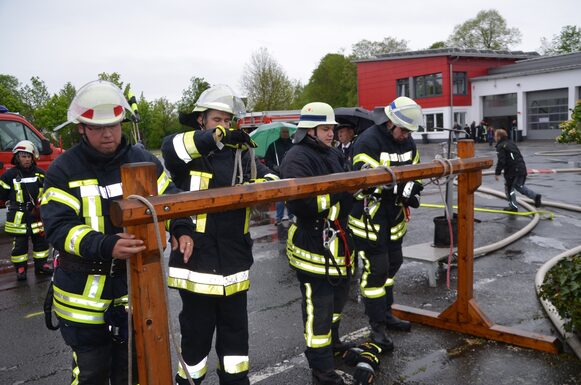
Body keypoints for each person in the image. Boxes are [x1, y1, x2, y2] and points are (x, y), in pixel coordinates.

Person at [41, 80, 194, 385]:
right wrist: (105, 245)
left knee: (133, 373)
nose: (107, 133)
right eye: (97, 127)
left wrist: (182, 227)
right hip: (82, 300)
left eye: (112, 124)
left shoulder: (143, 161)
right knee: (92, 376)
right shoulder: (63, 170)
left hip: (133, 294)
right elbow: (58, 228)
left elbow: (169, 199)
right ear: (81, 128)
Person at [162, 85, 278, 385]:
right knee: (195, 343)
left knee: (236, 345)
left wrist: (265, 183)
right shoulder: (188, 154)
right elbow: (171, 148)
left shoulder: (241, 154)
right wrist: (216, 139)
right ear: (201, 120)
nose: (224, 127)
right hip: (197, 263)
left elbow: (271, 176)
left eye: (228, 121)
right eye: (217, 120)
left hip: (234, 263)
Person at [280, 102, 354, 385]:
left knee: (337, 302)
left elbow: (346, 185)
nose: (331, 133)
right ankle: (321, 369)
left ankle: (332, 344)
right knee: (318, 312)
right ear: (309, 130)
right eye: (325, 128)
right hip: (312, 245)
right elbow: (303, 203)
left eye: (332, 128)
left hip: (337, 244)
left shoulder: (333, 154)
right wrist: (340, 193)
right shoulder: (297, 157)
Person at [348, 97, 424, 349]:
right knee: (376, 270)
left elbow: (415, 170)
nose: (406, 136)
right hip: (369, 219)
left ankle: (387, 313)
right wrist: (398, 190)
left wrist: (411, 190)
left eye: (409, 131)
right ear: (390, 123)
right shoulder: (368, 141)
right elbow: (365, 180)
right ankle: (376, 326)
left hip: (393, 218)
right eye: (403, 130)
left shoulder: (407, 140)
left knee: (394, 263)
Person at [0, 140, 52, 281]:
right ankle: (20, 268)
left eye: (29, 156)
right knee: (20, 245)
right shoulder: (8, 176)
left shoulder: (41, 174)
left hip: (36, 215)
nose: (27, 159)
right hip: (19, 216)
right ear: (17, 157)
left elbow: (50, 191)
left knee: (41, 241)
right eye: (23, 156)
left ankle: (41, 265)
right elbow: (1, 194)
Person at [494, 128, 542, 212]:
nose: (494, 138)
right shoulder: (511, 143)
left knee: (509, 188)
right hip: (521, 168)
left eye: (495, 136)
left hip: (512, 170)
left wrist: (497, 173)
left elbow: (502, 161)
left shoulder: (501, 146)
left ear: (499, 137)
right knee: (519, 186)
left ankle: (513, 207)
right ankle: (535, 196)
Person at [264, 126, 293, 225]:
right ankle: (279, 217)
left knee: (291, 196)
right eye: (283, 132)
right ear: (280, 133)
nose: (285, 133)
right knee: (280, 197)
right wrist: (274, 166)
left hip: (290, 173)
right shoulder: (273, 146)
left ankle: (291, 216)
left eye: (286, 132)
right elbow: (267, 160)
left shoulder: (293, 145)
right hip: (279, 174)